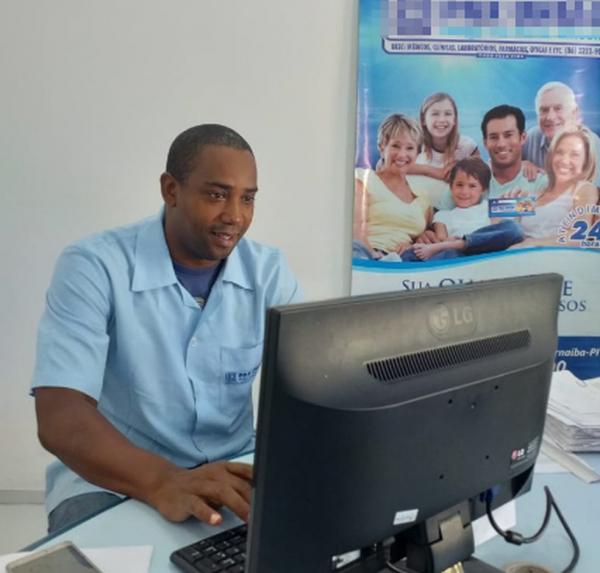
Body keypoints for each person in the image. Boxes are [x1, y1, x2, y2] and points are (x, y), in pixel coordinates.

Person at [31, 124, 301, 533]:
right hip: (111, 477)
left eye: (247, 199)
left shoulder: (269, 273)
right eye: (216, 194)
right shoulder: (94, 265)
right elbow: (60, 415)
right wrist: (163, 481)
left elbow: (314, 389)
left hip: (231, 471)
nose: (235, 215)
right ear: (170, 190)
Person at [402, 158, 523, 261]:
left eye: (472, 186)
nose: (464, 192)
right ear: (451, 187)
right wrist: (444, 243)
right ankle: (459, 246)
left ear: (483, 190)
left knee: (514, 228)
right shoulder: (443, 215)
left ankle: (461, 243)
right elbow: (441, 239)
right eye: (459, 185)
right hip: (460, 256)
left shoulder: (488, 206)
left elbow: (524, 209)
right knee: (413, 254)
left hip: (486, 250)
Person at [353, 114, 432, 260]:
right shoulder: (362, 179)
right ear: (382, 147)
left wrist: (417, 242)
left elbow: (424, 235)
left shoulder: (422, 196)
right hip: (367, 256)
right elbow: (356, 230)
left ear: (417, 153)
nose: (402, 155)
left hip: (403, 262)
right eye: (395, 146)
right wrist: (375, 257)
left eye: (410, 148)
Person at [517, 126, 598, 246]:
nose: (565, 161)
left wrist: (532, 244)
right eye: (559, 152)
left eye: (574, 154)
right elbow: (509, 229)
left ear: (585, 162)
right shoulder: (536, 193)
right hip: (518, 257)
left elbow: (578, 236)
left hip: (554, 258)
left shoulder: (584, 189)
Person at [405, 92, 478, 209]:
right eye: (435, 114)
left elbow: (481, 179)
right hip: (417, 207)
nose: (442, 119)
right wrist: (435, 172)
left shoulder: (466, 146)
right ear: (423, 119)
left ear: (454, 119)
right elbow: (386, 166)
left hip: (452, 211)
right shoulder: (415, 142)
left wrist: (461, 168)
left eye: (448, 114)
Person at [522, 81, 600, 187]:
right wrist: (519, 166)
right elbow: (495, 166)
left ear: (574, 112)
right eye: (544, 110)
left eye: (558, 108)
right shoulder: (531, 137)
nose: (550, 117)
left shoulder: (591, 144)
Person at [482, 105, 548, 199]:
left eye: (508, 135)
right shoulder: (468, 183)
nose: (501, 144)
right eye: (493, 137)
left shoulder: (542, 184)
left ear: (523, 138)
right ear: (485, 143)